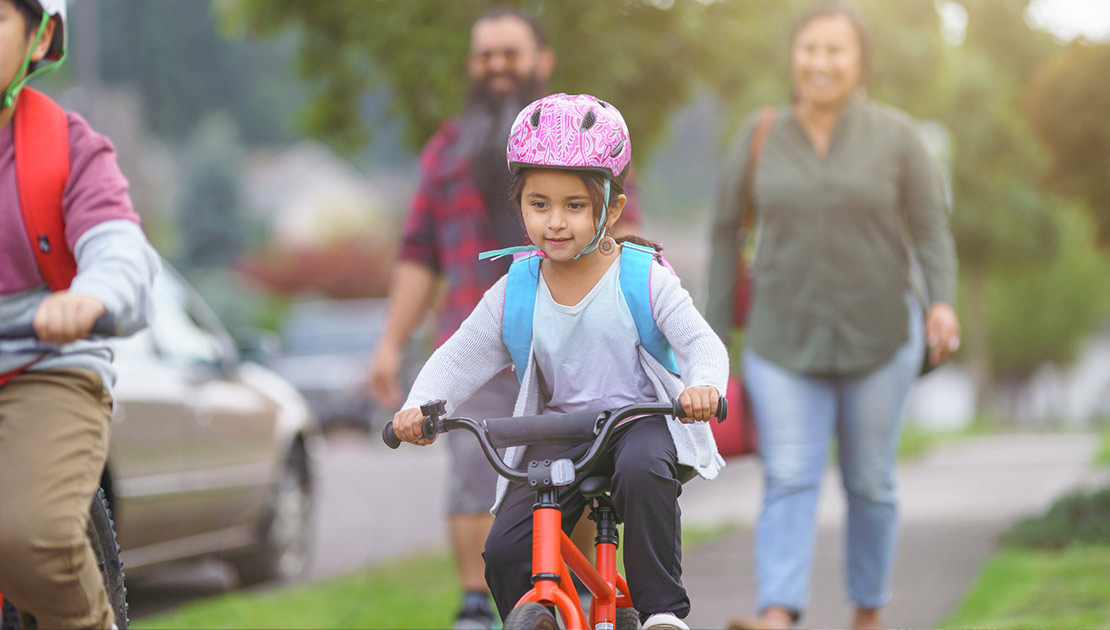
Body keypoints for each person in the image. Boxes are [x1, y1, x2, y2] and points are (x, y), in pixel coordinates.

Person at [391, 93, 728, 630]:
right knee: (504, 552)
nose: (554, 222)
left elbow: (702, 343)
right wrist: (419, 407)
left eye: (575, 205)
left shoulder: (642, 277)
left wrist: (704, 384)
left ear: (611, 209)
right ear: (519, 205)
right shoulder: (517, 288)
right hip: (559, 431)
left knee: (643, 472)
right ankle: (538, 618)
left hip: (636, 423)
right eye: (538, 203)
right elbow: (459, 355)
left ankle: (662, 613)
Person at [364, 7, 641, 628]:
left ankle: (577, 590)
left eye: (509, 53)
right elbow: (418, 254)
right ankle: (476, 603)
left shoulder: (590, 143)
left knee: (579, 471)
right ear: (471, 65)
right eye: (484, 55)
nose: (496, 66)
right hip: (482, 332)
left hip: (576, 341)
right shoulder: (444, 152)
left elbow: (628, 234)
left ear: (541, 61)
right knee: (472, 461)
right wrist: (390, 344)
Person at [706, 3, 960, 629]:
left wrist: (944, 302)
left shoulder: (899, 138)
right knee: (789, 476)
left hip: (880, 334)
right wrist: (710, 341)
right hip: (782, 338)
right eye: (810, 49)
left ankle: (867, 612)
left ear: (860, 61)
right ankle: (777, 614)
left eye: (835, 50)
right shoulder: (760, 134)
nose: (820, 62)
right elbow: (722, 233)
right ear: (795, 56)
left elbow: (930, 231)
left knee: (870, 484)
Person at [0, 0, 160, 628]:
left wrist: (88, 297)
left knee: (30, 535)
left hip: (45, 368)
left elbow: (120, 250)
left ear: (40, 38)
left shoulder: (67, 148)